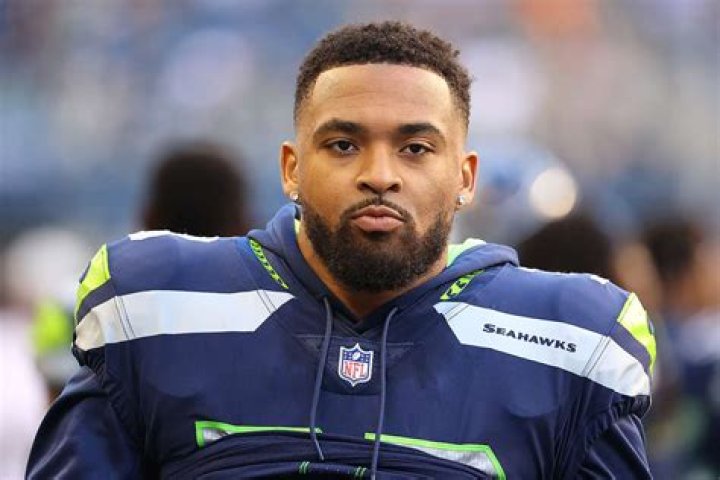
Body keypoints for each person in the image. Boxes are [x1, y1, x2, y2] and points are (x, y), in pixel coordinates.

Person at [27, 22, 655, 479]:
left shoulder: (572, 347)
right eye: (343, 145)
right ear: (291, 168)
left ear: (465, 177)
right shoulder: (155, 308)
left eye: (415, 148)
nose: (379, 175)